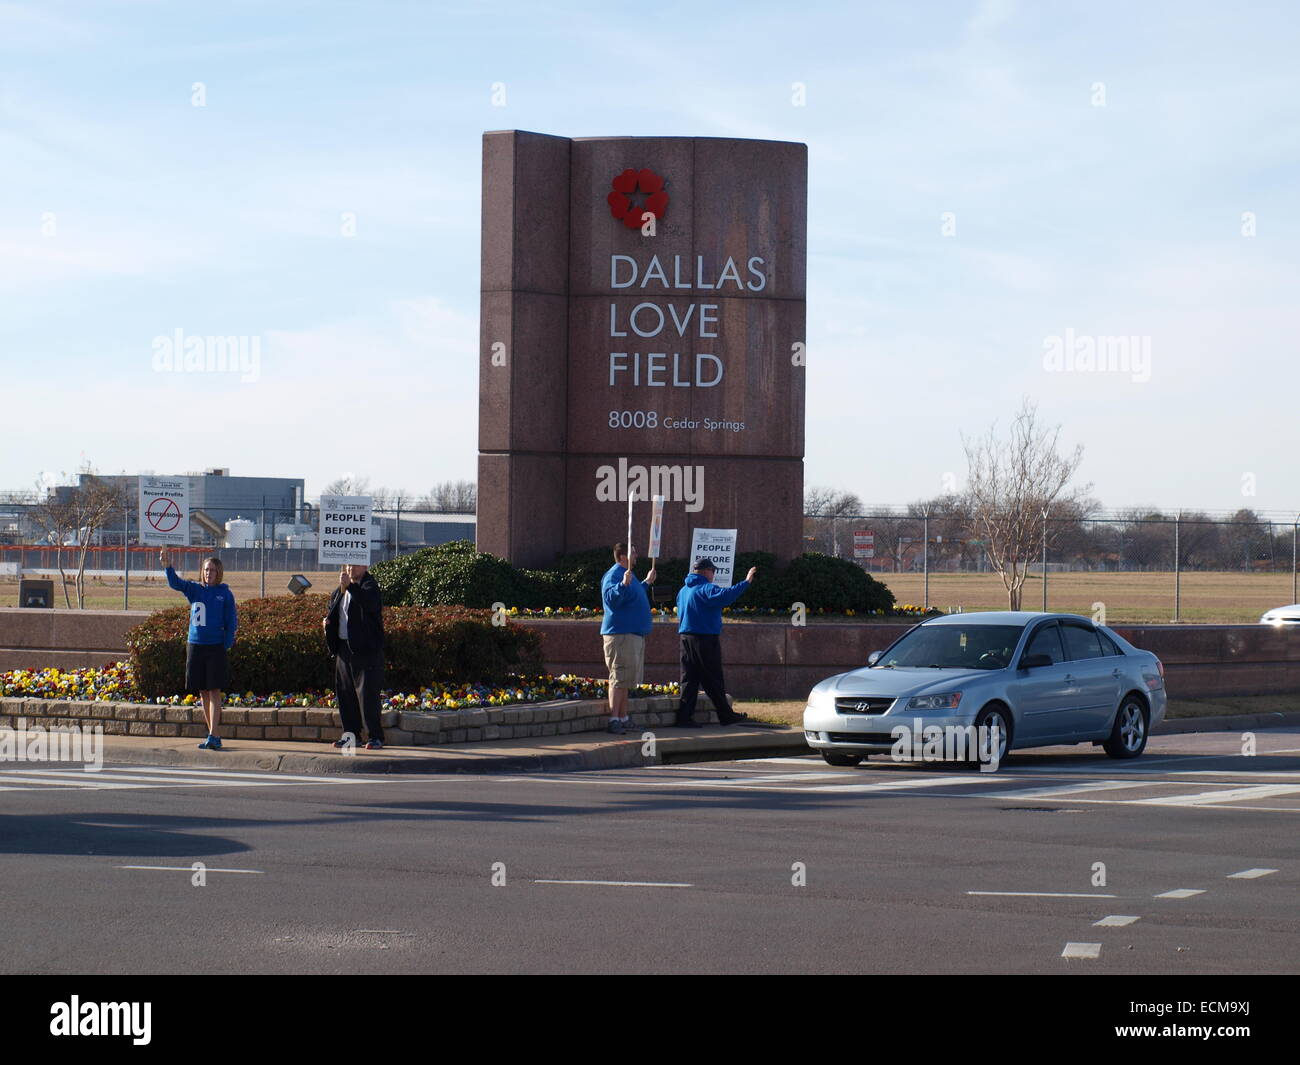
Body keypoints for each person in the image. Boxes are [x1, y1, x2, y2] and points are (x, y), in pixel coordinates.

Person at [160, 548, 237, 750]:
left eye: (211, 570)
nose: (208, 573)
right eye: (205, 570)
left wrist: (226, 643)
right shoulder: (195, 589)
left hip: (215, 647)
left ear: (218, 572)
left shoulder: (225, 594)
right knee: (202, 691)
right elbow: (175, 583)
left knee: (214, 691)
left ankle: (214, 734)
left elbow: (231, 621)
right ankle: (212, 734)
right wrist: (168, 566)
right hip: (195, 645)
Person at [672, 558, 757, 728]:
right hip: (704, 639)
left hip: (685, 639)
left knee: (689, 679)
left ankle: (684, 717)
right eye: (713, 571)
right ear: (706, 571)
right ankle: (726, 715)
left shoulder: (683, 591)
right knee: (713, 679)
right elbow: (726, 596)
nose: (714, 575)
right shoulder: (706, 588)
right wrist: (746, 582)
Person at [322, 563, 386, 750]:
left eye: (355, 566)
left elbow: (369, 603)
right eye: (349, 565)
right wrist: (327, 624)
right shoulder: (339, 591)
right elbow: (334, 613)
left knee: (367, 695)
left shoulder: (370, 586)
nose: (350, 569)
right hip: (344, 649)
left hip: (366, 651)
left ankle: (375, 737)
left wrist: (350, 586)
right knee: (346, 695)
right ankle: (351, 736)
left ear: (365, 566)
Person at [600, 542, 656, 735]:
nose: (637, 555)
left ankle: (623, 717)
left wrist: (646, 583)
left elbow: (632, 595)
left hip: (632, 635)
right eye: (633, 552)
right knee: (619, 677)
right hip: (621, 634)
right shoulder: (614, 574)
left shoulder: (628, 575)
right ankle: (614, 719)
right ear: (623, 556)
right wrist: (622, 584)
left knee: (626, 680)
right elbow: (610, 598)